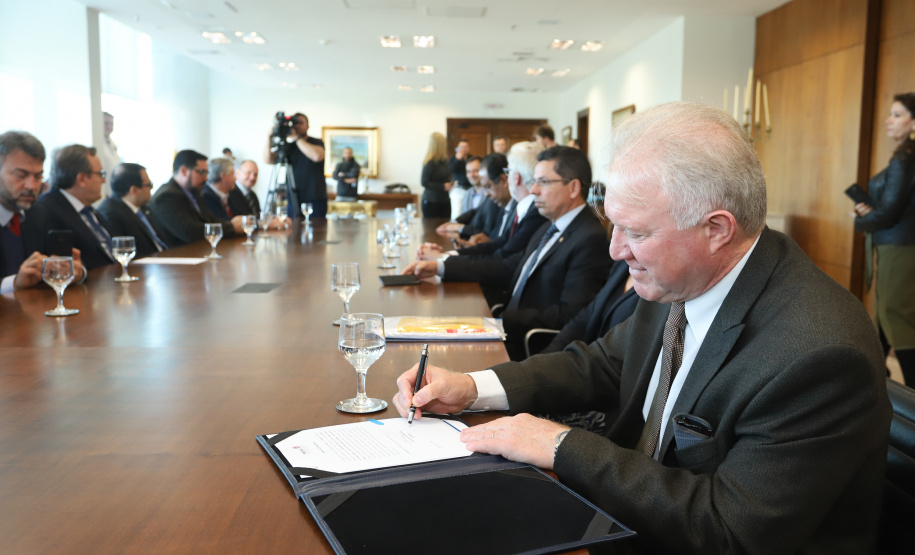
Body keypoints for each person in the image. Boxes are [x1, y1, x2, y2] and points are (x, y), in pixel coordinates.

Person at [394, 102, 891, 554]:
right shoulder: (682, 275)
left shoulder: (818, 354)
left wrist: (562, 446)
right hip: (630, 514)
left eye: (635, 232)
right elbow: (602, 363)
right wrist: (471, 387)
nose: (615, 251)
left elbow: (730, 530)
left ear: (717, 229)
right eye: (614, 226)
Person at [404, 146, 610, 360]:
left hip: (527, 346)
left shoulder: (589, 238)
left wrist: (501, 320)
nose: (533, 190)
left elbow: (571, 313)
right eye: (534, 181)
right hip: (504, 325)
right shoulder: (549, 225)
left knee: (440, 356)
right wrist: (441, 266)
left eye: (543, 182)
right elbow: (508, 266)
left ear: (573, 188)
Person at [854, 92, 915, 386]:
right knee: (884, 317)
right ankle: (876, 380)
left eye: (897, 115)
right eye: (890, 113)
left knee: (895, 317)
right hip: (896, 245)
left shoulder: (905, 158)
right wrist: (871, 212)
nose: (888, 120)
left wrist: (861, 220)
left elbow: (890, 213)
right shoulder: (905, 156)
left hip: (899, 247)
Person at [416, 142, 546, 262]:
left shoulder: (531, 211)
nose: (486, 193)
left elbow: (503, 258)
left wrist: (443, 258)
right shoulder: (517, 208)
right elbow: (498, 244)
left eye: (508, 172)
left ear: (515, 177)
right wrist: (448, 255)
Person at [0, 131, 86, 293]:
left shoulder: (40, 213)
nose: (31, 186)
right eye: (21, 175)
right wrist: (14, 283)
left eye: (38, 177)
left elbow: (68, 261)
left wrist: (76, 272)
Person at [26, 144, 117, 271]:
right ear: (82, 179)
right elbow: (58, 265)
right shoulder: (46, 210)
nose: (104, 180)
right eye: (100, 174)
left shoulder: (88, 209)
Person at [149, 150, 243, 246]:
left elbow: (210, 220)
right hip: (180, 253)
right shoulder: (166, 196)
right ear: (184, 171)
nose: (206, 178)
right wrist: (231, 227)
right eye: (202, 172)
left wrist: (234, 224)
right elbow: (190, 232)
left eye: (207, 173)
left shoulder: (195, 192)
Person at [97, 163, 170, 258]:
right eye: (149, 184)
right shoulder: (110, 213)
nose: (151, 188)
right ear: (134, 190)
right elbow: (124, 252)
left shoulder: (144, 207)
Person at [264, 112, 327, 219]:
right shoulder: (289, 146)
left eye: (300, 123)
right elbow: (268, 160)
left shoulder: (316, 142)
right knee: (293, 228)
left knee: (316, 228)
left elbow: (317, 156)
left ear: (307, 126)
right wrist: (269, 138)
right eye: (294, 123)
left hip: (315, 199)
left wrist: (296, 137)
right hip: (293, 199)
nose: (297, 126)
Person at [419, 132, 453, 218]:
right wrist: (442, 186)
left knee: (445, 225)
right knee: (431, 226)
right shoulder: (430, 162)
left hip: (445, 200)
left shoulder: (445, 161)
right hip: (431, 201)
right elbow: (424, 182)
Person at [96, 112, 121, 202]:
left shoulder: (112, 144)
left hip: (114, 190)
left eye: (111, 124)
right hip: (104, 190)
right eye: (106, 123)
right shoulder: (97, 143)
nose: (109, 126)